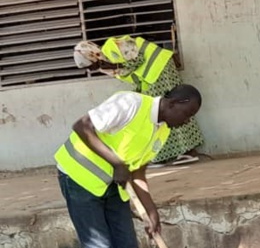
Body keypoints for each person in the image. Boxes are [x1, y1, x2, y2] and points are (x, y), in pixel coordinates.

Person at [54, 84, 202, 248]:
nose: (187, 121)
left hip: (115, 186)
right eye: (187, 114)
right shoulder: (130, 103)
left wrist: (151, 209)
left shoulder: (162, 130)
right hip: (79, 178)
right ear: (173, 103)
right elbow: (82, 126)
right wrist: (116, 163)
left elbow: (137, 172)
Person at [73, 36, 205, 165]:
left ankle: (187, 151)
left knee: (172, 112)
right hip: (149, 77)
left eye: (90, 65)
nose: (90, 70)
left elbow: (138, 59)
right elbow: (133, 75)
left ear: (92, 55)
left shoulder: (111, 47)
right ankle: (165, 155)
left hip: (159, 69)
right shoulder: (104, 65)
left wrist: (115, 64)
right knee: (161, 115)